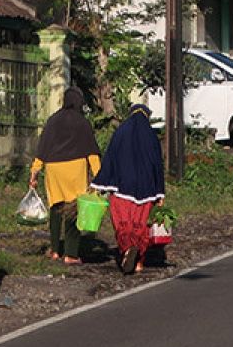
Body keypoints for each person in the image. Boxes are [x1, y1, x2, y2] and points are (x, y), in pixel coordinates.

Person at [29, 87, 101, 265]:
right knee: (73, 209)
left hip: (54, 169)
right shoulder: (82, 122)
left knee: (56, 206)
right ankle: (70, 253)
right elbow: (92, 153)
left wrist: (34, 173)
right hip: (75, 169)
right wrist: (99, 177)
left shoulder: (53, 121)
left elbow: (42, 149)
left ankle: (54, 250)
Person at [91, 104, 165, 274]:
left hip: (121, 187)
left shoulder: (121, 133)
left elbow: (110, 158)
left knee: (123, 223)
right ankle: (139, 261)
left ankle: (127, 249)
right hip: (146, 189)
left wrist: (99, 183)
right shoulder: (151, 136)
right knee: (141, 225)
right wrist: (160, 192)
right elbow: (157, 166)